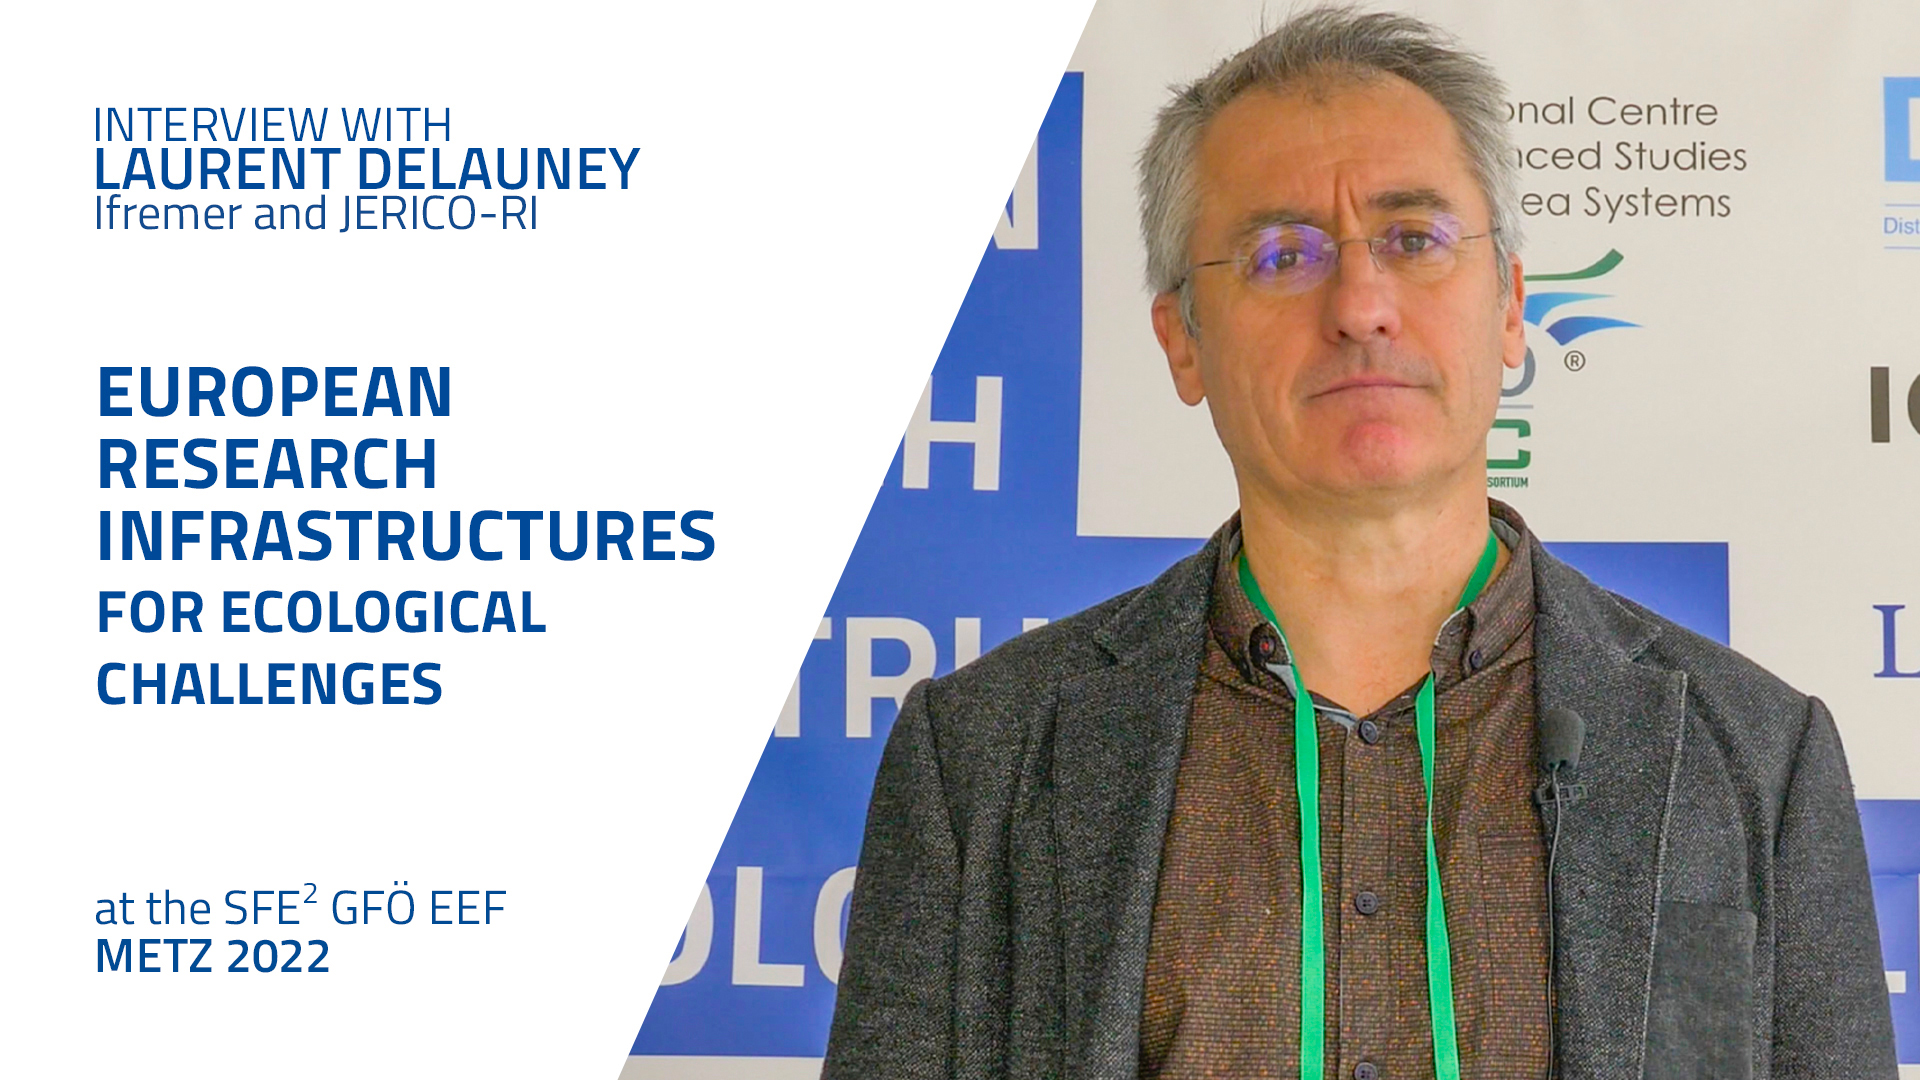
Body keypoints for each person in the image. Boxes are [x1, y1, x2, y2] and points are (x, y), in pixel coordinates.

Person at [821, 7, 1897, 1079]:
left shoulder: (1754, 759)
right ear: (1183, 340)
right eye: (1281, 254)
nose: (1361, 304)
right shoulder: (981, 762)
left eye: (1414, 240)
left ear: (1511, 306)